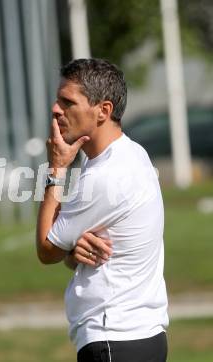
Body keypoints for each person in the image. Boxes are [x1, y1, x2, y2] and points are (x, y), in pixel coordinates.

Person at [36, 58, 168, 361]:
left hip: (114, 338)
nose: (56, 109)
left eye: (67, 102)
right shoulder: (132, 153)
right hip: (142, 336)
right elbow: (74, 251)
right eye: (57, 100)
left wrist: (55, 170)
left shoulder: (103, 176)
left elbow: (46, 249)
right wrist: (72, 251)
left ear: (103, 111)